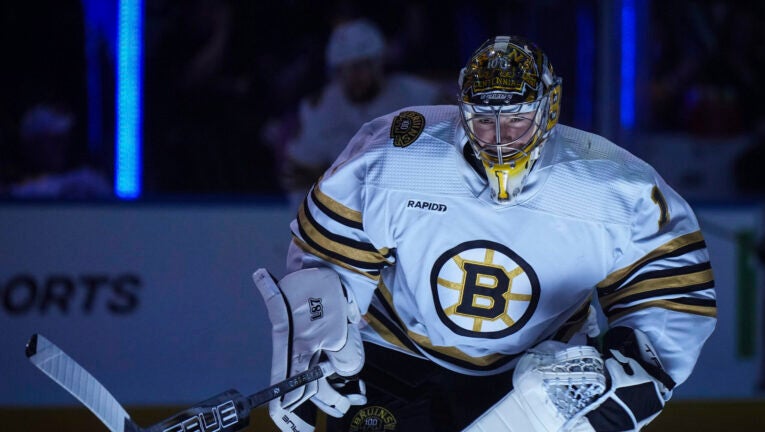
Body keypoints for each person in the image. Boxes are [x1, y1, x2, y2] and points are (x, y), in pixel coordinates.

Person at [254, 35, 717, 432]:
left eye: (516, 117)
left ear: (549, 108)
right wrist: (323, 336)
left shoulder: (616, 187)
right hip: (393, 358)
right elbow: (330, 252)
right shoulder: (400, 152)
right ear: (462, 109)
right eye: (483, 119)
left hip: (538, 378)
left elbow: (668, 298)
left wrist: (623, 373)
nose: (498, 136)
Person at [279, 17, 448, 210]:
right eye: (345, 69)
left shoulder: (417, 95)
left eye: (362, 66)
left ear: (378, 63)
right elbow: (297, 173)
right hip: (346, 212)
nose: (354, 76)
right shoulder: (320, 109)